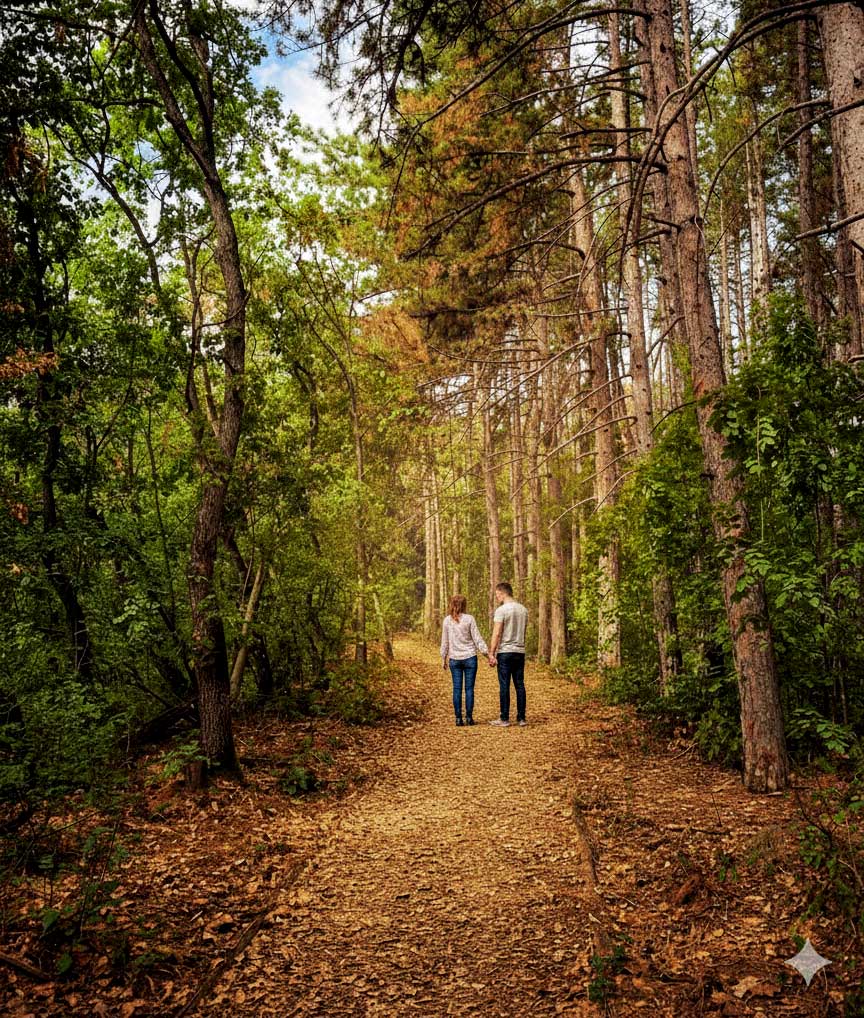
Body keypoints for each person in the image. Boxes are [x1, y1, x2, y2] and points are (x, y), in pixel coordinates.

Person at [440, 594, 488, 726]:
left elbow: (445, 642)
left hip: (454, 659)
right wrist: (486, 653)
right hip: (470, 658)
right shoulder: (469, 619)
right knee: (469, 689)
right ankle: (469, 718)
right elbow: (477, 638)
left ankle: (458, 719)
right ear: (464, 605)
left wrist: (443, 658)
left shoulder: (447, 621)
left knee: (456, 689)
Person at [487, 581, 529, 727]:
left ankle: (504, 718)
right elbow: (523, 631)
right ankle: (521, 718)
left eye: (497, 595)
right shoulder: (523, 610)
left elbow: (497, 632)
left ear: (502, 593)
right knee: (519, 684)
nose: (497, 598)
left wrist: (491, 653)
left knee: (504, 685)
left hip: (505, 652)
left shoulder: (502, 610)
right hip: (520, 651)